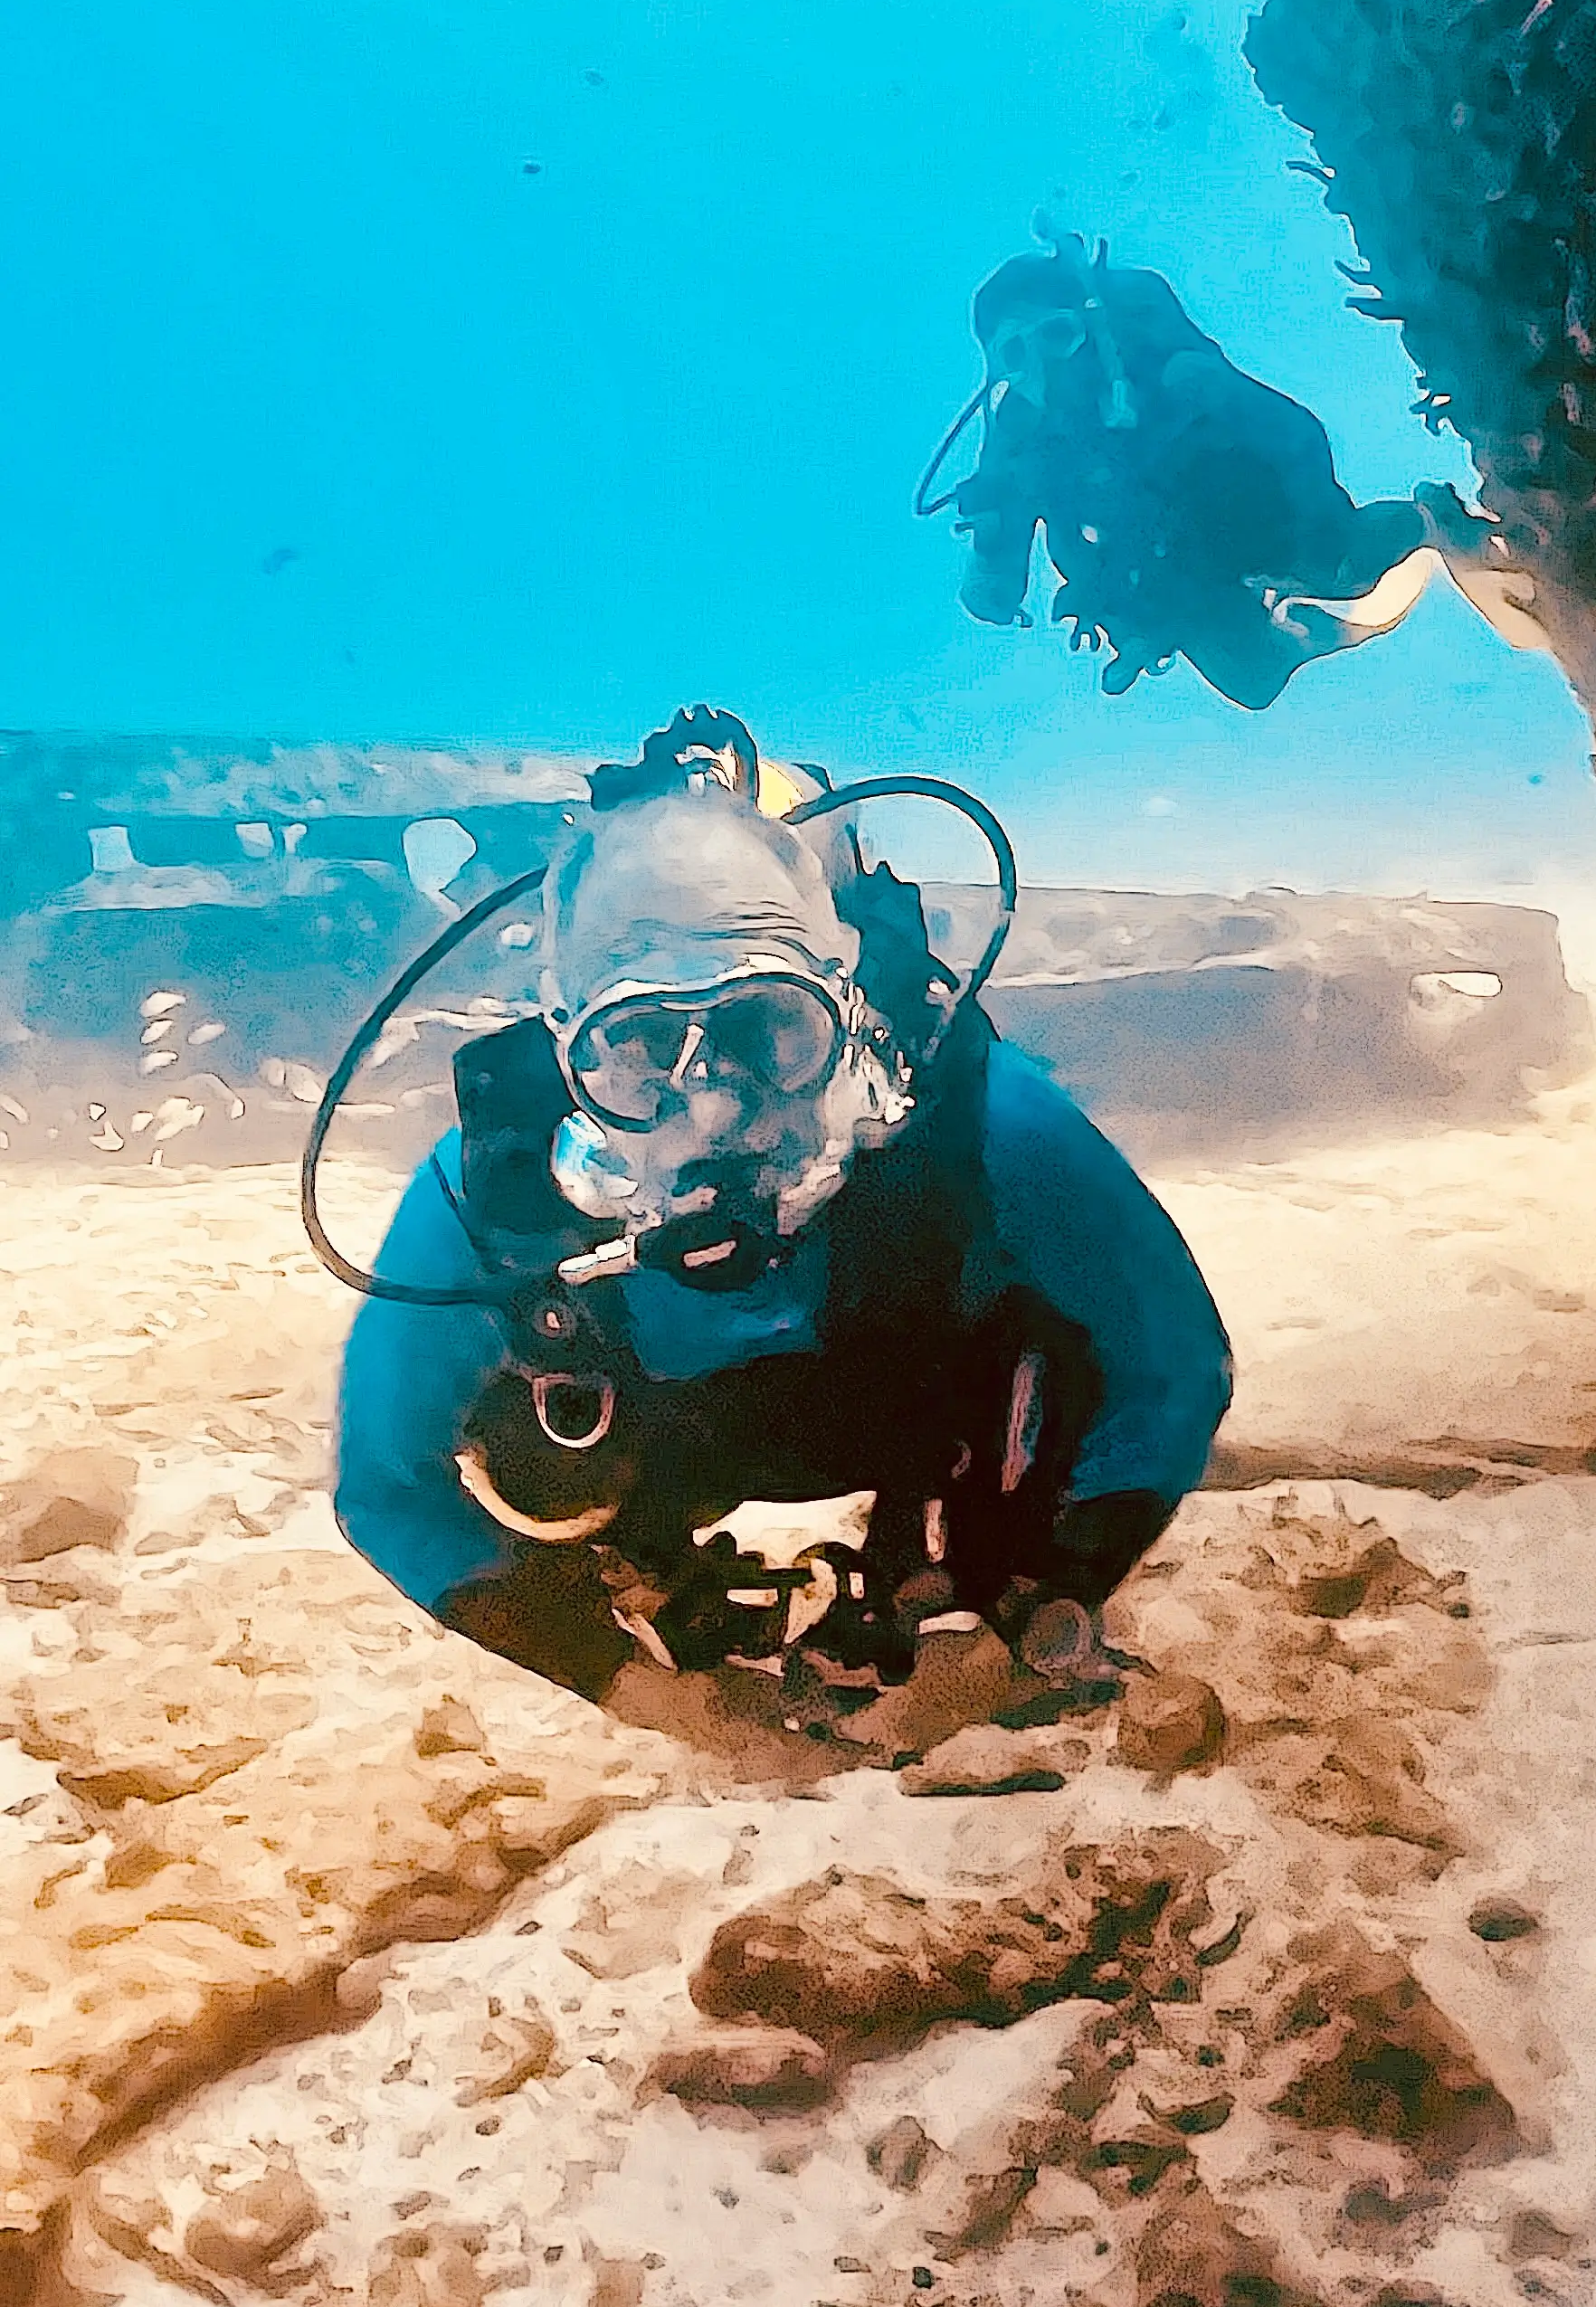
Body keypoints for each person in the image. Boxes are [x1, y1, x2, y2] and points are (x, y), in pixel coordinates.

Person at [329, 711, 1231, 1740]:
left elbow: (1172, 1366)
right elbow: (388, 1488)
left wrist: (1051, 1601)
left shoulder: (979, 1120)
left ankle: (977, 1578)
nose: (715, 1106)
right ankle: (652, 1579)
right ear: (568, 1051)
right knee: (527, 1428)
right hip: (666, 1455)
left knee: (1053, 1356)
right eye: (641, 1048)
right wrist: (640, 1689)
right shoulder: (493, 1193)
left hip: (923, 1415)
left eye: (770, 1029)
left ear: (845, 1010)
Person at [920, 233, 1543, 709]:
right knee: (1253, 680)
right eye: (1014, 353)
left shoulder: (1168, 370)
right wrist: (994, 566)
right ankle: (1305, 620)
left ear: (1085, 327)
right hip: (1169, 567)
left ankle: (1426, 521)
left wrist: (1317, 520)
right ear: (996, 371)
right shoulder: (1018, 442)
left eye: (1055, 336)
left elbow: (1291, 431)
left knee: (1342, 570)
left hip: (1262, 503)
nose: (1043, 367)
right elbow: (993, 579)